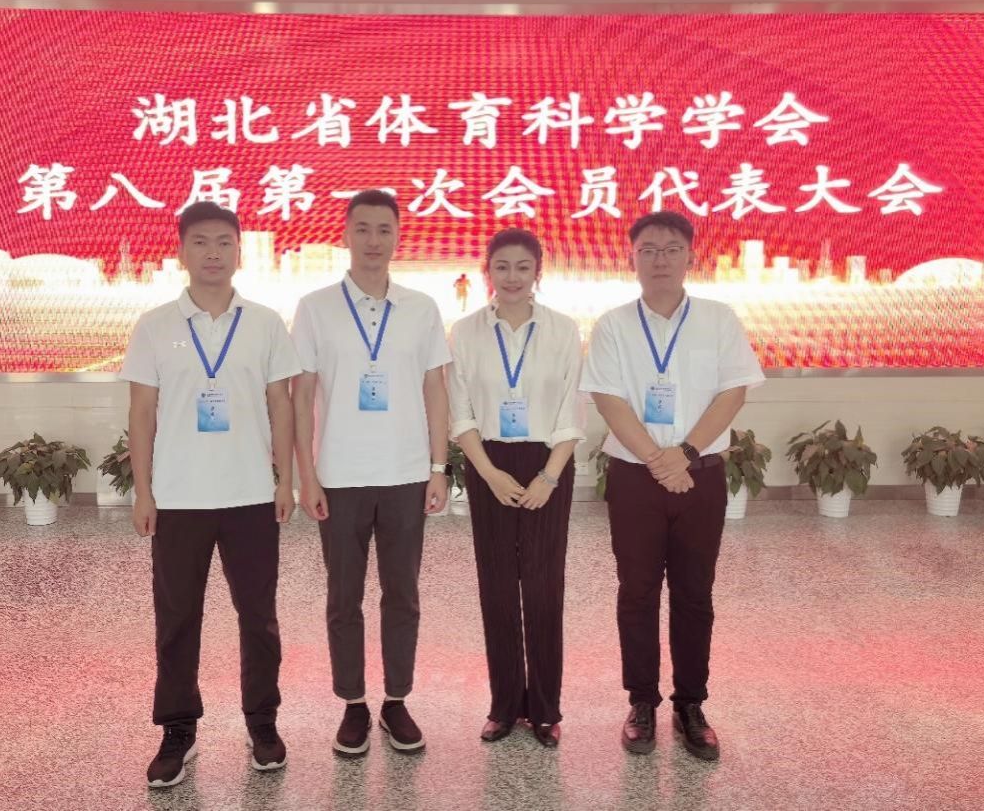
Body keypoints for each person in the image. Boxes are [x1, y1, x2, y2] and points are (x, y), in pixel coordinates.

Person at [121, 202, 301, 786]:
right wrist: (143, 492)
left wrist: (285, 480)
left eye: (224, 241)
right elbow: (142, 413)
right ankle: (178, 730)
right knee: (177, 619)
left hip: (250, 494)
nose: (213, 253)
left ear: (239, 251)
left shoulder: (266, 323)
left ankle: (262, 722)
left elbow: (280, 405)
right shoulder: (155, 325)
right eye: (200, 241)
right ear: (181, 251)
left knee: (259, 617)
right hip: (179, 497)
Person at [579, 210, 765, 762]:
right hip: (635, 479)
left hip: (699, 475)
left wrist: (682, 455)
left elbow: (734, 392)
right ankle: (641, 702)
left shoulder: (718, 319)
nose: (659, 259)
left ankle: (690, 705)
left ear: (691, 257)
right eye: (648, 250)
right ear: (632, 258)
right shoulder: (613, 324)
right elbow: (608, 399)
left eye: (671, 249)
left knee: (694, 593)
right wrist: (657, 461)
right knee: (636, 592)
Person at [291, 189, 451, 756]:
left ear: (398, 236)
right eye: (363, 229)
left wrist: (438, 467)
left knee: (402, 594)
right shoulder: (315, 307)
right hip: (339, 474)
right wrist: (306, 474)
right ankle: (354, 703)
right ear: (345, 234)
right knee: (344, 596)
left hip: (406, 473)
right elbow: (302, 392)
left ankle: (396, 700)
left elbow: (435, 389)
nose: (373, 240)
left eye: (384, 229)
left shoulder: (422, 308)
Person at [447, 228, 584, 748]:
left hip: (548, 460)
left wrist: (549, 476)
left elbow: (571, 411)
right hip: (490, 462)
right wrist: (488, 472)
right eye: (501, 266)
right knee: (498, 587)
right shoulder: (466, 332)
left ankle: (545, 709)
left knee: (545, 588)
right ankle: (504, 706)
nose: (512, 277)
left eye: (522, 267)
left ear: (537, 273)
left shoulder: (562, 330)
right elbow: (461, 413)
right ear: (488, 272)